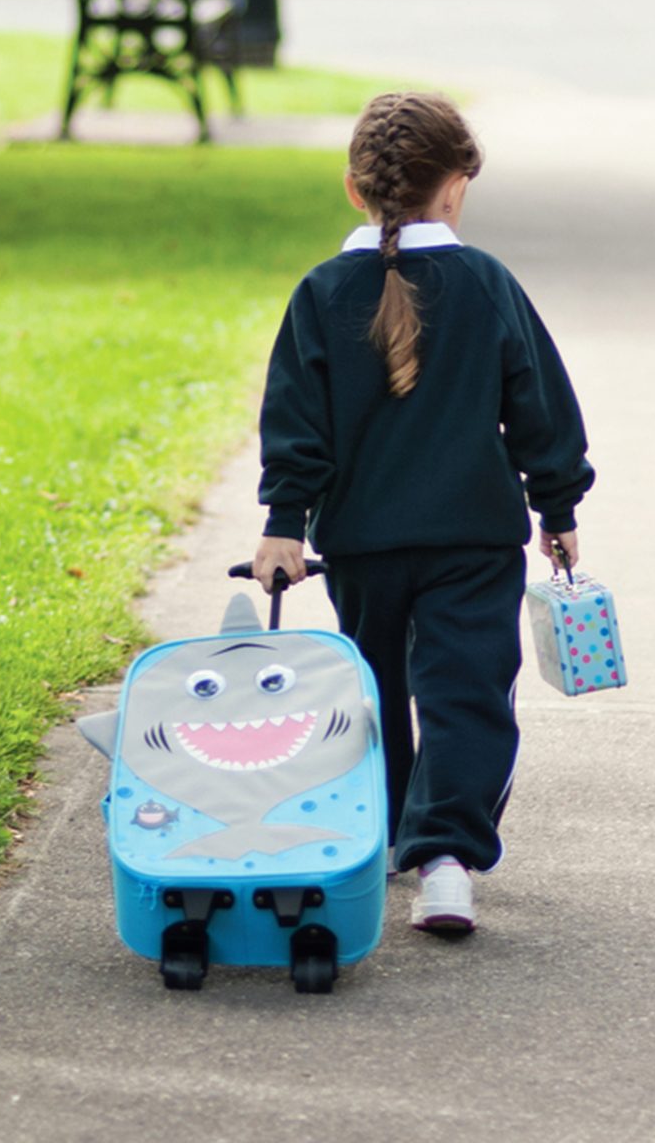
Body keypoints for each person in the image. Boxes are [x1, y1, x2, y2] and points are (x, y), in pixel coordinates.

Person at [252, 91, 595, 933]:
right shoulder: (484, 283)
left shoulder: (323, 292)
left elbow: (295, 421)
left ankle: (382, 835)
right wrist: (556, 503)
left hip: (363, 542)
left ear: (353, 188)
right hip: (474, 537)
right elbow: (540, 406)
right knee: (465, 693)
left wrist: (284, 525)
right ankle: (443, 857)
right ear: (455, 188)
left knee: (372, 688)